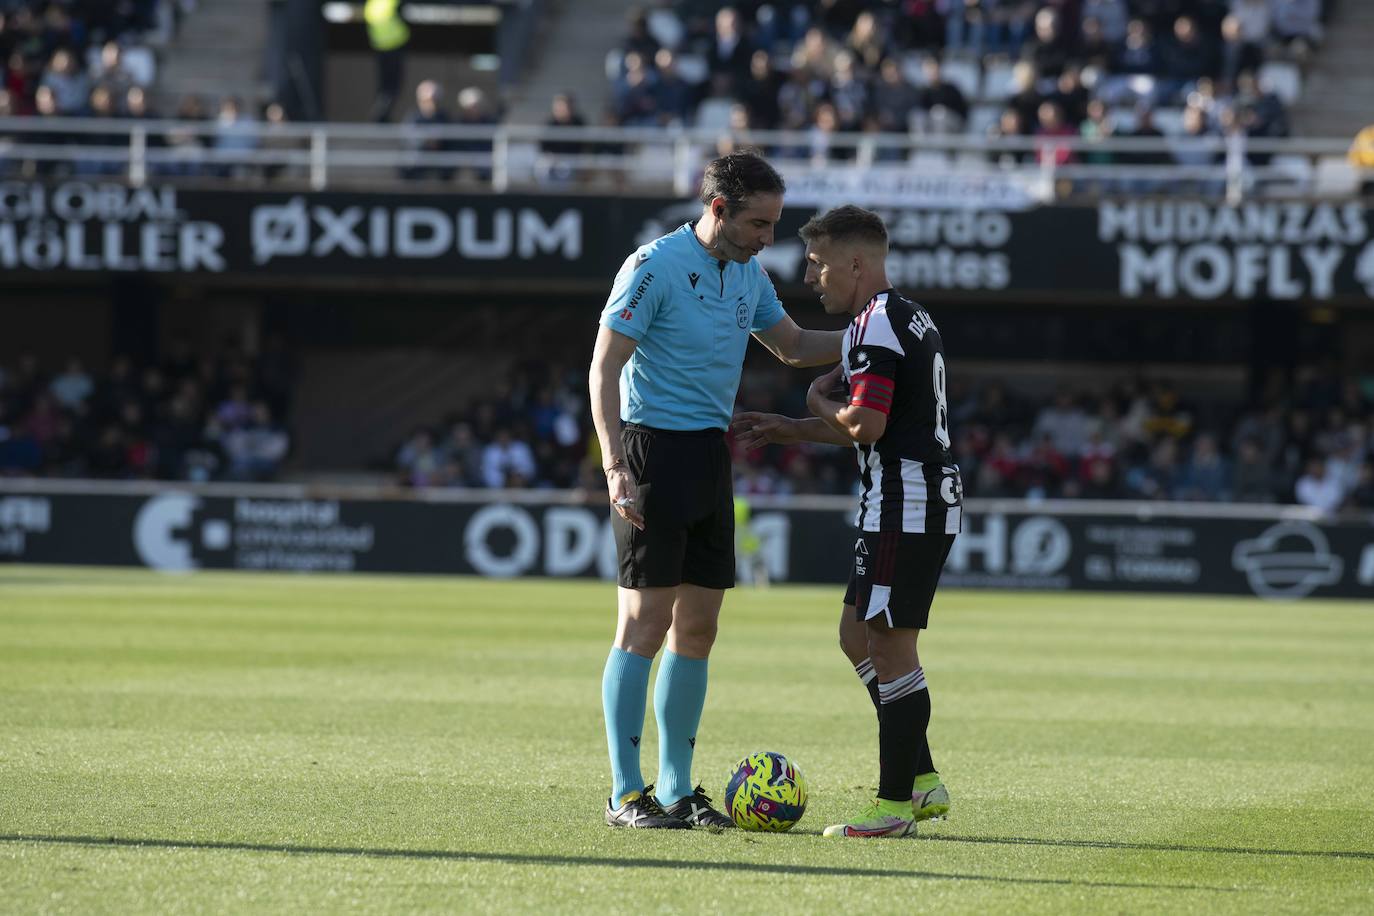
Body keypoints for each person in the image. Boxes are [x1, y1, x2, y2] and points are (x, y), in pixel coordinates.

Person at [588, 150, 844, 829]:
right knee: (642, 625)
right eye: (759, 223)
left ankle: (677, 789)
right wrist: (615, 467)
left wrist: (870, 338)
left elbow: (789, 345)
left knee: (697, 628)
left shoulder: (748, 273)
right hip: (649, 451)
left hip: (708, 454)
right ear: (719, 209)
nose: (768, 239)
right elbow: (604, 365)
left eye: (774, 225)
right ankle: (624, 793)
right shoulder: (655, 265)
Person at [733, 205, 962, 839]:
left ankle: (894, 807)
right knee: (855, 635)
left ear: (855, 263)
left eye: (819, 263)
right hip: (902, 499)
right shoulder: (906, 316)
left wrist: (811, 400)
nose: (812, 277)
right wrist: (792, 430)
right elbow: (876, 425)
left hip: (905, 505)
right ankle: (920, 778)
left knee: (890, 645)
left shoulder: (878, 323)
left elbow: (866, 424)